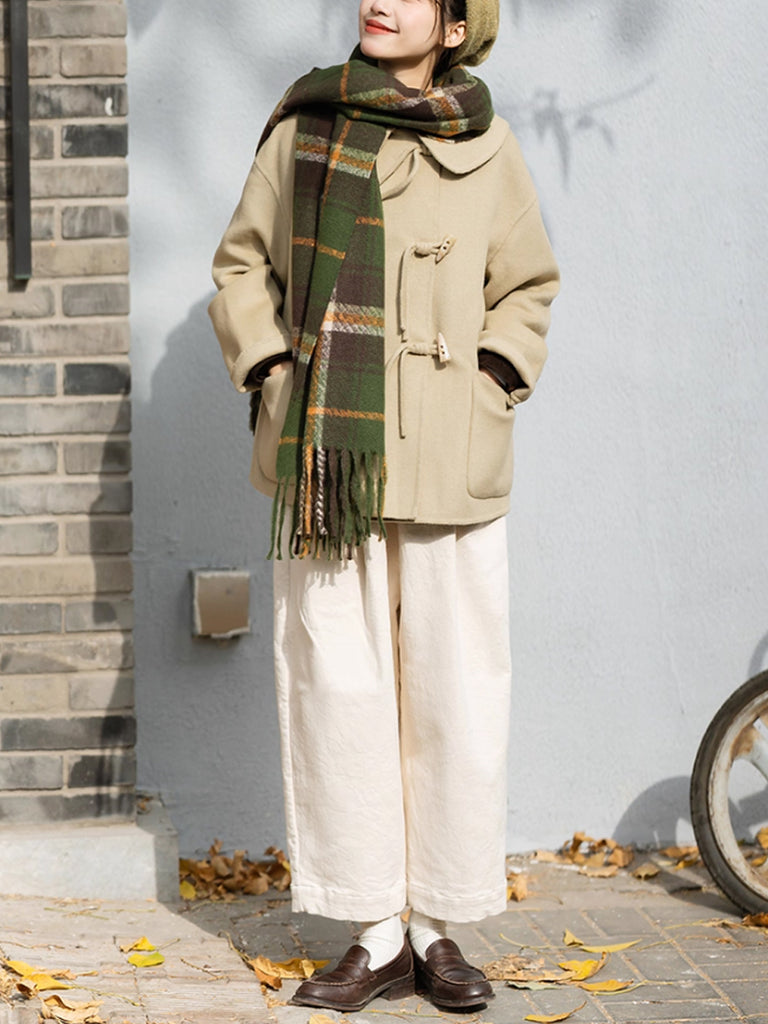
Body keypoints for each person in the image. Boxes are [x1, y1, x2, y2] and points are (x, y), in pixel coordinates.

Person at [209, 0, 559, 1013]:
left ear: (453, 28)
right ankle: (372, 931)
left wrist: (493, 376)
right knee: (338, 687)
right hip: (330, 458)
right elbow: (241, 266)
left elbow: (527, 287)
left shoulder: (489, 143)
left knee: (457, 693)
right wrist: (274, 374)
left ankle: (438, 925)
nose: (379, 0)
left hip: (453, 454)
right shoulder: (305, 128)